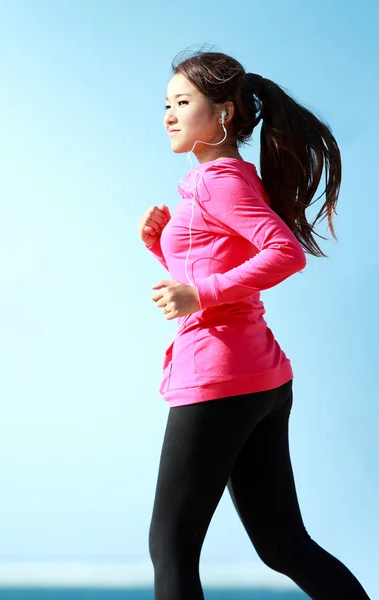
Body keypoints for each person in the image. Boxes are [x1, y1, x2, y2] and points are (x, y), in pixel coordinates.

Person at [139, 50, 371, 600]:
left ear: (222, 114)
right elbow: (210, 275)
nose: (168, 115)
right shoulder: (216, 183)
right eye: (166, 105)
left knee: (169, 547)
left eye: (182, 103)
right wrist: (160, 247)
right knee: (283, 544)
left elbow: (283, 253)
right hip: (256, 375)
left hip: (219, 377)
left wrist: (198, 293)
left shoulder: (222, 182)